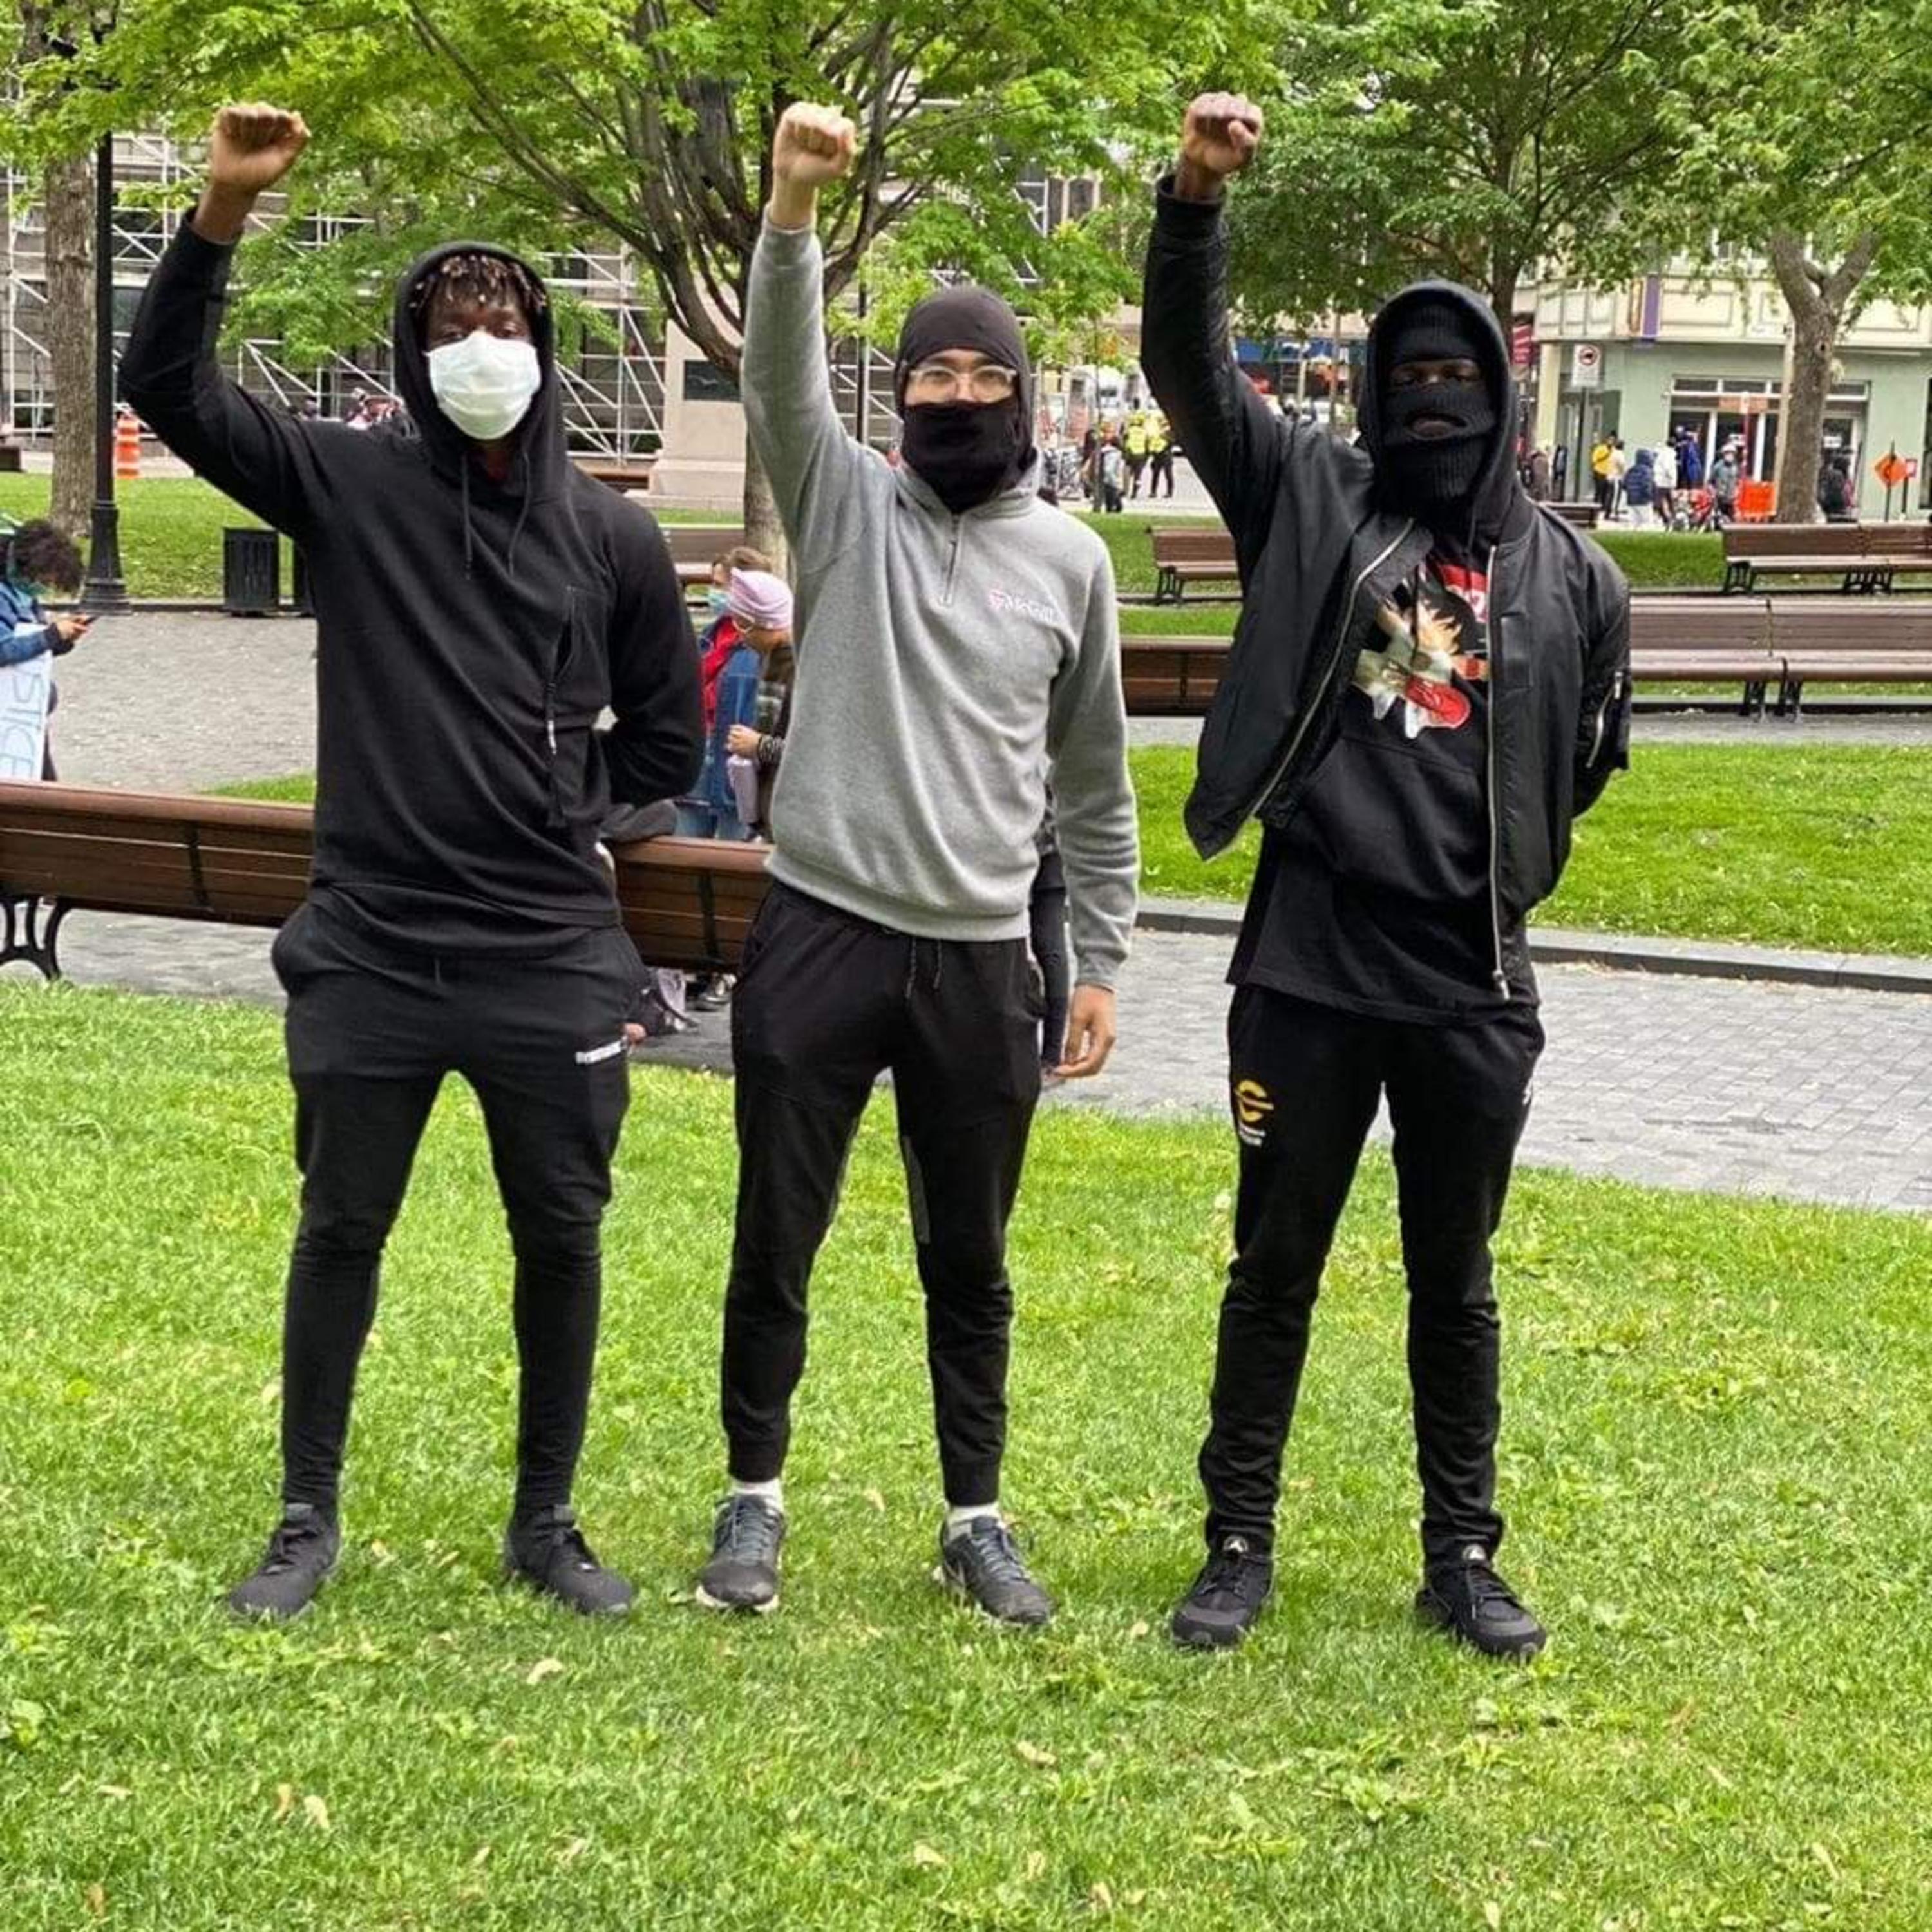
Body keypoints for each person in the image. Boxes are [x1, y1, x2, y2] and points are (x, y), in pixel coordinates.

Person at [120, 103, 703, 1623]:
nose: (481, 346)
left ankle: (546, 1520)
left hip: (548, 958)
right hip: (372, 949)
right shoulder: (348, 487)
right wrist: (221, 209)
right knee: (340, 1230)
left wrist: (569, 806)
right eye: (451, 327)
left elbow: (665, 738)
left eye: (505, 323)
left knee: (560, 1236)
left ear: (545, 347)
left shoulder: (611, 538)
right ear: (412, 350)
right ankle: (303, 1517)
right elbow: (166, 388)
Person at [1141, 93, 1631, 1659]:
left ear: (1501, 391)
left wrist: (1497, 865)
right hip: (1306, 966)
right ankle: (1235, 1539)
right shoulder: (1309, 498)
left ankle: (1462, 1555)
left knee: (1453, 1279)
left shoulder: (1575, 575)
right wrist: (1192, 203)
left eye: (1456, 377)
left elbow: (1577, 758)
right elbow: (1189, 375)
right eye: (1405, 376)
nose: (1432, 401)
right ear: (1370, 391)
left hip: (1470, 983)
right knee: (1272, 1263)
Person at [692, 100, 1139, 1630]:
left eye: (983, 376)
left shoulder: (1071, 563)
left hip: (978, 957)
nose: (958, 396)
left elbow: (1094, 782)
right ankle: (751, 1493)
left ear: (1023, 396)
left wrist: (1098, 960)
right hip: (821, 927)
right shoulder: (845, 507)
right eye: (932, 376)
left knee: (972, 1254)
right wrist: (791, 211)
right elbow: (777, 378)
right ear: (899, 399)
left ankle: (974, 1516)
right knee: (778, 1231)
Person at [0, 518, 91, 778]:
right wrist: (52, 635)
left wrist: (61, 640)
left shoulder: (22, 594)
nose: (45, 587)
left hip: (24, 714)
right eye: (45, 580)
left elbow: (30, 641)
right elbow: (4, 650)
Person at [1622, 446, 1656, 527]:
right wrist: (1652, 498)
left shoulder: (1631, 470)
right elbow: (1647, 486)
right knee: (1647, 524)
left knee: (1633, 524)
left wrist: (1631, 493)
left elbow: (1624, 485)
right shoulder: (1648, 471)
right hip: (1644, 501)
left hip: (1631, 501)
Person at [1710, 442, 1742, 527]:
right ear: (1724, 454)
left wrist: (1737, 491)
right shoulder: (1717, 467)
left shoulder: (1736, 467)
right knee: (1719, 516)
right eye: (1728, 454)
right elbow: (1710, 482)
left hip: (1731, 497)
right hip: (1720, 497)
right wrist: (1713, 492)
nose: (1730, 456)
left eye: (1732, 454)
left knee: (1730, 517)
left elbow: (1738, 481)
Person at [1148, 412, 1177, 499]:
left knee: (1168, 475)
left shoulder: (1170, 431)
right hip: (1157, 455)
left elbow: (1172, 441)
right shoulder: (1156, 431)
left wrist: (1163, 436)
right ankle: (1153, 492)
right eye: (1160, 421)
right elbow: (1152, 441)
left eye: (1162, 421)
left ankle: (1169, 492)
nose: (1161, 423)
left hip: (1166, 455)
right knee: (1155, 474)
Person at [1124, 408, 1151, 498]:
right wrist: (1147, 457)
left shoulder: (1130, 430)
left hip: (1131, 455)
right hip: (1141, 455)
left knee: (1128, 474)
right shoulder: (1145, 431)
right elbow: (1147, 445)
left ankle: (1125, 491)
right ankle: (1134, 492)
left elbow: (1125, 441)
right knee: (1138, 475)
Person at [1651, 438, 1678, 528]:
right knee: (1668, 502)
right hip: (1664, 481)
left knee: (1664, 501)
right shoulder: (1669, 454)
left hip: (1661, 481)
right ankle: (1669, 519)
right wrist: (1672, 479)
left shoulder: (1663, 453)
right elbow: (1668, 468)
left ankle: (1668, 519)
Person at [1819, 455, 1854, 522]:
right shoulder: (1837, 475)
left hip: (1836, 510)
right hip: (1837, 510)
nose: (1848, 468)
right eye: (1847, 466)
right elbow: (1838, 492)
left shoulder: (1843, 477)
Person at [1589, 434, 1615, 516]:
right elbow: (1594, 460)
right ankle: (1595, 506)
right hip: (1599, 471)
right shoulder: (1600, 448)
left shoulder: (1613, 450)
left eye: (1612, 440)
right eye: (1609, 440)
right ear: (1606, 440)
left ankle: (1603, 507)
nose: (1611, 442)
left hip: (1608, 473)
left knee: (1606, 491)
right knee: (1599, 490)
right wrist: (1606, 456)